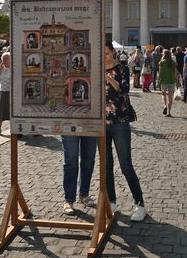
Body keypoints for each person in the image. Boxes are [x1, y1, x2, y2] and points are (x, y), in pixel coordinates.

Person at [105, 40, 147, 222]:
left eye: (106, 53)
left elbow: (123, 89)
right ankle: (111, 201)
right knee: (106, 166)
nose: (104, 57)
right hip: (101, 123)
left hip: (120, 122)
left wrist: (107, 77)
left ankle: (140, 203)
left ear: (113, 53)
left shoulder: (122, 69)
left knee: (126, 165)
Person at [61, 135, 97, 215]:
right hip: (69, 124)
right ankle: (69, 200)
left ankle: (84, 194)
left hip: (91, 124)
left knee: (88, 160)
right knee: (71, 160)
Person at [158, 49, 178, 117]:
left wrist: (158, 79)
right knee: (170, 97)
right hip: (171, 81)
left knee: (163, 95)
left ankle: (165, 106)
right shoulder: (173, 63)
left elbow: (160, 73)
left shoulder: (161, 62)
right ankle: (169, 112)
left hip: (164, 80)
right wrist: (177, 81)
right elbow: (175, 73)